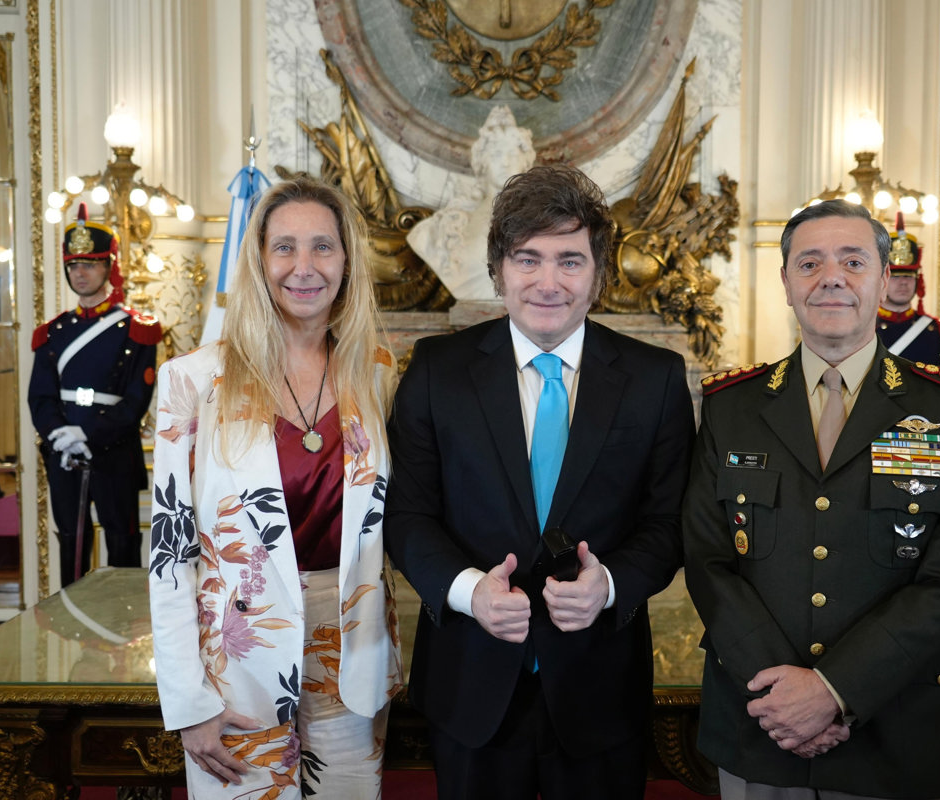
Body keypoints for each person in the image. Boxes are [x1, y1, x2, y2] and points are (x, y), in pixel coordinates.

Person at [385, 164, 695, 800]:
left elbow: (668, 525)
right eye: (528, 259)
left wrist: (609, 585)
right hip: (471, 688)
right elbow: (407, 516)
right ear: (498, 269)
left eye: (570, 261)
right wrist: (471, 592)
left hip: (600, 691)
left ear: (599, 274)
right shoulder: (436, 372)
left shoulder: (656, 377)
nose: (548, 282)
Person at [683, 199, 940, 799]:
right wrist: (783, 696)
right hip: (761, 721)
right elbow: (708, 558)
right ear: (786, 283)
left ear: (883, 277)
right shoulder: (731, 406)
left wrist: (833, 690)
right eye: (809, 263)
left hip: (896, 722)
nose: (831, 278)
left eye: (853, 261)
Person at [147, 177, 401, 798]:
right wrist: (188, 702)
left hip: (354, 658)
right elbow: (169, 557)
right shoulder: (194, 380)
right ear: (259, 261)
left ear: (347, 260)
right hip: (236, 668)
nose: (304, 267)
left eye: (323, 246)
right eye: (284, 247)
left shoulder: (380, 375)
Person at [28, 204, 161, 586]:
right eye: (73, 265)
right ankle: (71, 620)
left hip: (113, 449)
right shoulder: (51, 333)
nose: (79, 273)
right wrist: (60, 434)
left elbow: (136, 400)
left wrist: (87, 434)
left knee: (122, 543)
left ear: (109, 267)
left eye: (89, 263)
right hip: (63, 452)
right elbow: (40, 397)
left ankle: (122, 628)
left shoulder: (137, 329)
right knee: (71, 542)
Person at [406, 105, 536, 301]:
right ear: (482, 163)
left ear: (526, 161)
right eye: (496, 154)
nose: (505, 162)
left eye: (512, 153)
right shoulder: (444, 228)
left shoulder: (545, 223)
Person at [876, 212, 940, 370]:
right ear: (883, 280)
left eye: (908, 276)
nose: (903, 283)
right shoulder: (862, 330)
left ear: (917, 280)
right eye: (895, 276)